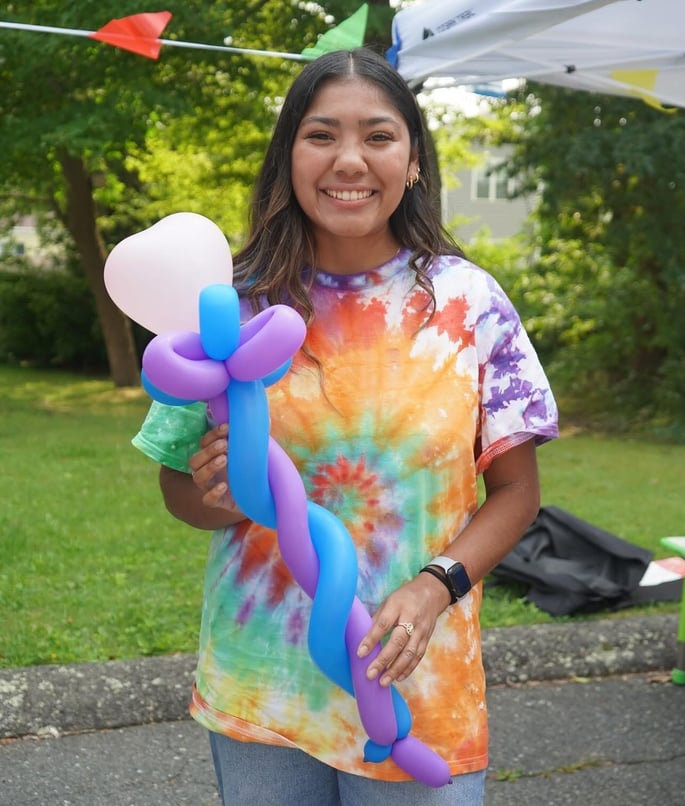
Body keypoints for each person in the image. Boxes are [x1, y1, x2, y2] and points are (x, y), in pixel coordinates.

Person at [132, 46, 558, 805]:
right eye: (322, 135)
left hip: (416, 684)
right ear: (289, 157)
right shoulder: (228, 305)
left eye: (378, 136)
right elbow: (179, 492)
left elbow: (516, 493)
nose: (350, 160)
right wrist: (215, 491)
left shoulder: (469, 303)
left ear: (414, 161)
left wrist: (435, 587)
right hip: (262, 683)